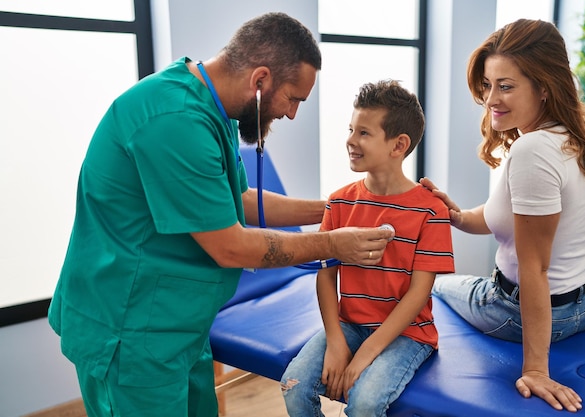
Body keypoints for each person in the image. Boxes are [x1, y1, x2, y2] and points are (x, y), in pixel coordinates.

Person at [48, 12, 393, 417]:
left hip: (181, 325)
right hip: (128, 330)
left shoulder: (215, 107)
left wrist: (341, 207)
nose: (293, 113)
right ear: (260, 80)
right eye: (294, 98)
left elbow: (240, 199)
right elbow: (231, 247)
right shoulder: (174, 120)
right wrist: (335, 243)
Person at [419, 19, 585, 413]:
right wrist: (456, 215)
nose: (492, 98)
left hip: (518, 313)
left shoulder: (533, 152)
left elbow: (535, 269)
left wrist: (536, 370)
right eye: (489, 85)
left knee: (438, 285)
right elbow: (503, 219)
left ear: (544, 86)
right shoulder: (583, 131)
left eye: (506, 86)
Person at [281, 80, 455, 417]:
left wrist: (364, 354)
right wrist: (335, 341)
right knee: (295, 387)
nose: (349, 140)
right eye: (350, 129)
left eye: (363, 132)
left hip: (408, 334)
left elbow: (419, 294)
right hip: (349, 324)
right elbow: (325, 276)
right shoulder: (340, 201)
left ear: (398, 145)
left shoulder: (432, 210)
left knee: (364, 403)